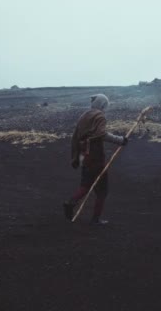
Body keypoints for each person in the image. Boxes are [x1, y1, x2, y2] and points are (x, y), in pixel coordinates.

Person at [64, 94, 128, 225]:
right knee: (102, 190)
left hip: (83, 155)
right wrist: (120, 140)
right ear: (103, 105)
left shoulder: (84, 115)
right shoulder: (100, 116)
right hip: (95, 157)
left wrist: (75, 157)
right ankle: (95, 219)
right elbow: (101, 134)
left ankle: (70, 203)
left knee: (85, 184)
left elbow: (75, 137)